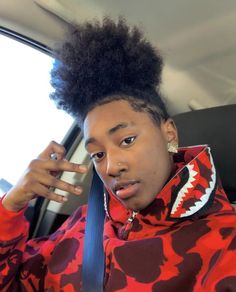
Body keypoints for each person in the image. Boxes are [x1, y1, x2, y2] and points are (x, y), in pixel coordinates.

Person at [0, 17, 236, 292]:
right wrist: (11, 206)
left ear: (169, 133)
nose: (111, 167)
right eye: (98, 154)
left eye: (126, 140)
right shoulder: (85, 222)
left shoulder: (225, 244)